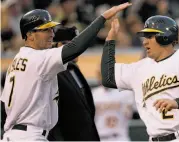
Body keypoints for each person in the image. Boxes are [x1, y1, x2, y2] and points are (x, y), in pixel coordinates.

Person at [0, 2, 132, 141]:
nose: (51, 33)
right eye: (45, 30)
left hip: (14, 135)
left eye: (51, 29)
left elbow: (3, 106)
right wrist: (103, 18)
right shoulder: (39, 58)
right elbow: (75, 47)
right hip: (30, 135)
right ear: (30, 35)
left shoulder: (16, 62)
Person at [100, 16, 179, 141]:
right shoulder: (139, 68)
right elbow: (108, 78)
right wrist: (110, 40)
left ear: (165, 36)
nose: (145, 42)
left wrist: (177, 102)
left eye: (150, 36)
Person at [47, 26, 100, 141]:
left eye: (76, 43)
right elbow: (53, 118)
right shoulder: (53, 73)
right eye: (68, 44)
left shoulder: (73, 69)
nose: (75, 48)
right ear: (55, 45)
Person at [92, 69, 134, 141]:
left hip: (119, 137)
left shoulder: (126, 93)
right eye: (101, 74)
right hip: (100, 138)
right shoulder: (93, 94)